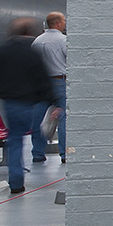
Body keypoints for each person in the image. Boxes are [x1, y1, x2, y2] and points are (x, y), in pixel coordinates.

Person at [0, 18, 57, 195]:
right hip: (29, 104)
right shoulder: (32, 54)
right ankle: (36, 155)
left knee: (14, 140)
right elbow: (43, 80)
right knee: (31, 132)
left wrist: (2, 92)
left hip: (8, 103)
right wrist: (53, 102)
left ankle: (16, 182)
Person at [32, 12, 67, 164]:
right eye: (64, 20)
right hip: (60, 81)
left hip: (41, 84)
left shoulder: (36, 42)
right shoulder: (63, 40)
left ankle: (38, 153)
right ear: (58, 23)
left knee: (38, 119)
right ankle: (64, 153)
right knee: (64, 117)